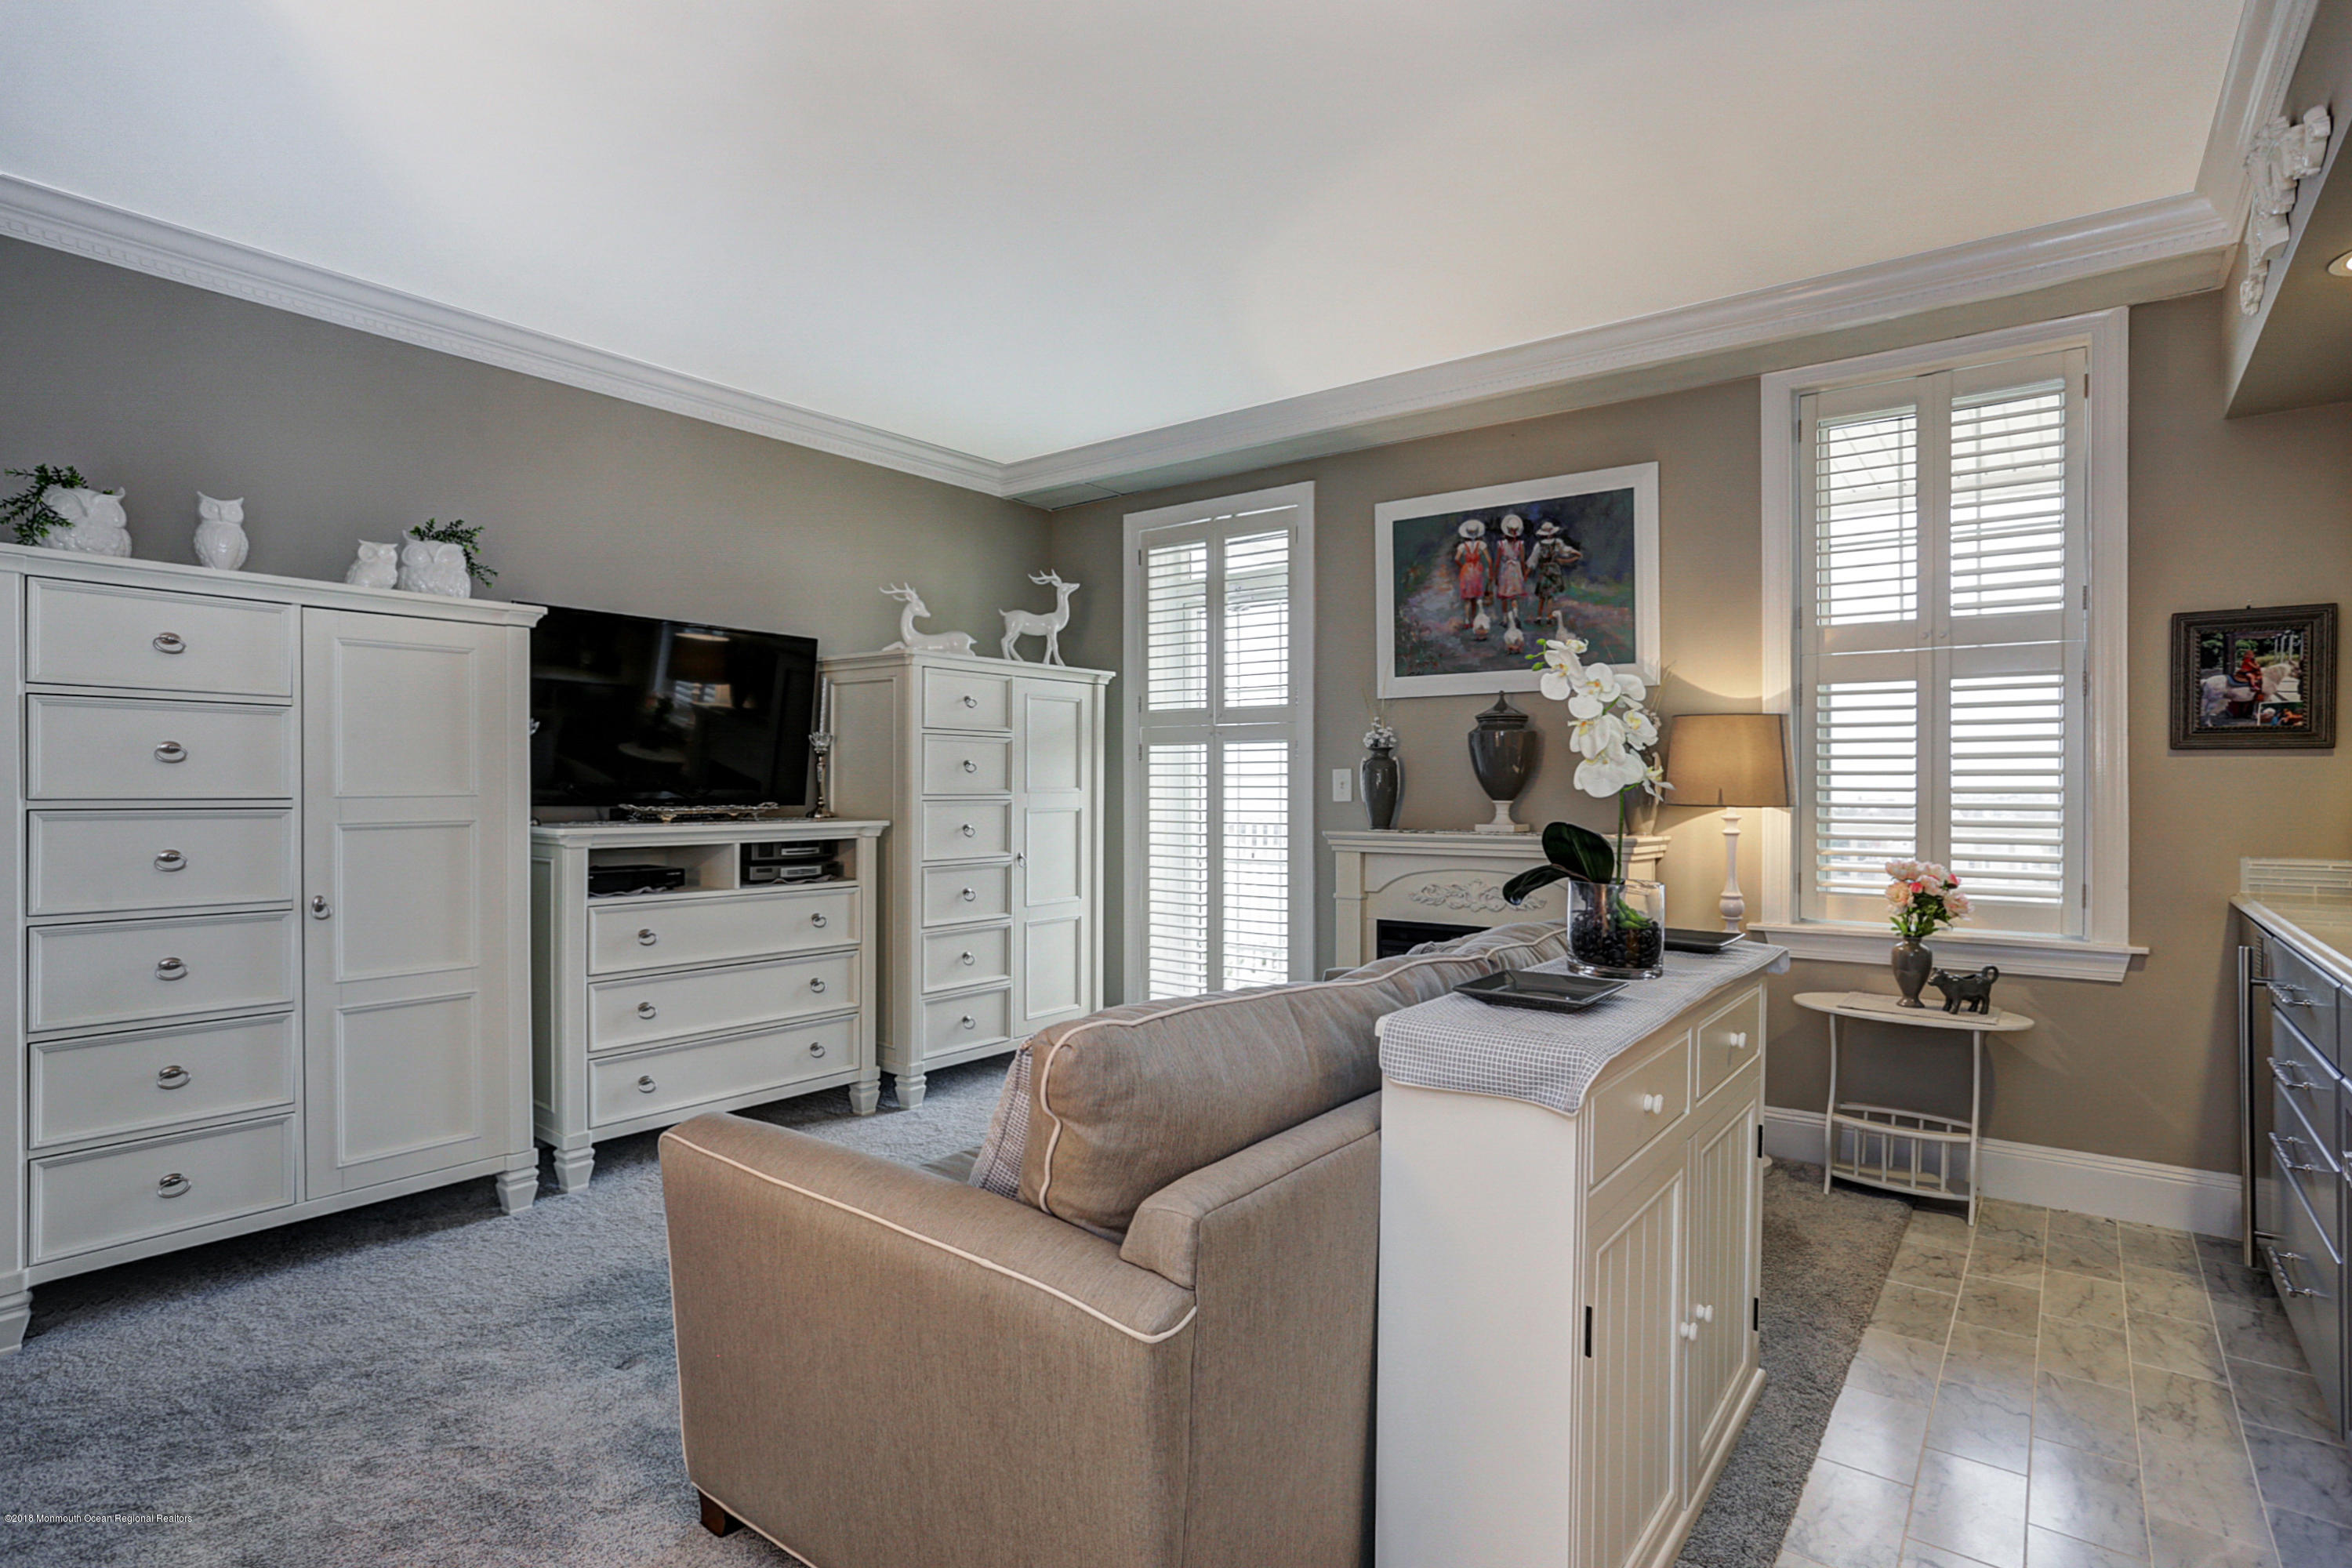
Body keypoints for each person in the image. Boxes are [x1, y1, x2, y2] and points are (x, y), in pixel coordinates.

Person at [1531, 518, 1582, 621]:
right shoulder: (1557, 542)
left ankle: (1539, 617)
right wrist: (1576, 554)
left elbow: (1533, 559)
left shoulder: (1539, 545)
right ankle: (1549, 617)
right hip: (1554, 570)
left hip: (1544, 570)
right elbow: (1566, 550)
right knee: (1550, 595)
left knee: (1542, 595)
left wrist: (1529, 569)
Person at [1454, 518, 1489, 630]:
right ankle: (1474, 620)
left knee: (1467, 599)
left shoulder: (1462, 546)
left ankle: (1467, 621)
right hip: (1477, 571)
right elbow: (1489, 559)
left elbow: (1456, 559)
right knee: (1475, 597)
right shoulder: (1481, 545)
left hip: (1466, 571)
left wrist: (1463, 566)